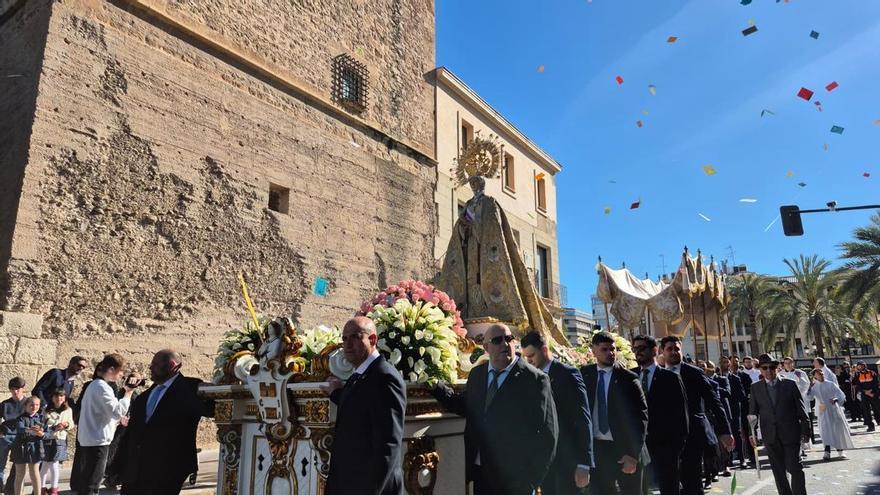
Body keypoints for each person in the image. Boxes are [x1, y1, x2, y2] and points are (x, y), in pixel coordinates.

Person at [431, 323, 557, 494]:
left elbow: (548, 433)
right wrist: (432, 383)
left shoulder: (535, 380)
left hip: (516, 480)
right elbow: (464, 405)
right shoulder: (477, 375)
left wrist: (532, 481)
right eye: (498, 340)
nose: (505, 344)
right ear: (486, 347)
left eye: (509, 339)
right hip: (480, 473)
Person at [322, 317, 406, 495]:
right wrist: (336, 393)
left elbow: (388, 443)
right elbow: (361, 405)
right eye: (344, 338)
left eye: (355, 337)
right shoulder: (361, 374)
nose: (347, 344)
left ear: (373, 340)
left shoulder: (385, 377)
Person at [116, 349, 215, 495]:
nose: (150, 367)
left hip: (169, 467)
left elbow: (214, 409)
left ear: (172, 365)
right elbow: (133, 432)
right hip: (136, 470)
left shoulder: (190, 388)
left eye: (155, 364)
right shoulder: (145, 396)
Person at [521, 331, 592, 494]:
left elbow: (582, 418)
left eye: (531, 355)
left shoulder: (568, 374)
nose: (528, 361)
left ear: (544, 350)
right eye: (525, 357)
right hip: (542, 461)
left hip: (567, 460)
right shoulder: (528, 377)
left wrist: (584, 463)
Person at [660, 336, 733, 495]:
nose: (674, 352)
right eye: (669, 349)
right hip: (666, 439)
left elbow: (714, 402)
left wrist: (725, 431)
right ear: (662, 352)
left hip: (692, 435)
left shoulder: (694, 373)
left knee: (692, 481)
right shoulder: (658, 374)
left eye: (676, 349)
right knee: (669, 484)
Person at [581, 331, 647, 495]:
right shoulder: (585, 375)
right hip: (598, 450)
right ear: (593, 351)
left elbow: (641, 417)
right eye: (604, 349)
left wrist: (632, 454)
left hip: (624, 450)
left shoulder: (628, 378)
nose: (610, 353)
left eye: (613, 349)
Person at [70, 354, 135, 495]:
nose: (122, 375)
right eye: (121, 371)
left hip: (90, 439)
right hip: (98, 442)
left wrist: (117, 421)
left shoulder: (94, 385)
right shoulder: (103, 387)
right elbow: (117, 411)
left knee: (86, 482)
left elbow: (101, 414)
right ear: (111, 369)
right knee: (92, 485)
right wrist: (128, 393)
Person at [631, 335, 688, 495]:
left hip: (665, 447)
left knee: (669, 488)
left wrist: (677, 446)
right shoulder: (630, 377)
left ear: (655, 350)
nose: (638, 352)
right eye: (635, 349)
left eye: (642, 348)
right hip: (638, 447)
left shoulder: (670, 378)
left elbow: (680, 414)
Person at [748, 354, 810, 495]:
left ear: (777, 368)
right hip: (770, 435)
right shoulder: (755, 388)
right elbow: (752, 413)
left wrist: (806, 430)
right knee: (779, 472)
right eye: (765, 368)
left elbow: (801, 409)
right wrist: (751, 434)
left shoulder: (790, 384)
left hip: (790, 433)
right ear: (760, 370)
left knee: (795, 468)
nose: (768, 371)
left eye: (772, 367)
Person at [807, 368, 853, 460]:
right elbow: (809, 397)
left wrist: (836, 399)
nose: (821, 375)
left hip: (833, 409)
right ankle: (827, 451)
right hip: (822, 410)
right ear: (815, 376)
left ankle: (840, 450)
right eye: (818, 374)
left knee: (837, 429)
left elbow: (841, 395)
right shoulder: (814, 386)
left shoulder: (830, 384)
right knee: (825, 431)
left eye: (821, 373)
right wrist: (809, 387)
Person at [40, 388, 74, 495]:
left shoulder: (68, 410)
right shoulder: (46, 409)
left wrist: (66, 425)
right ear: (52, 398)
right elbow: (43, 424)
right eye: (57, 396)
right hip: (47, 439)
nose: (59, 398)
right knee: (45, 464)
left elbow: (71, 423)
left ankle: (54, 489)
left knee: (54, 464)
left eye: (62, 396)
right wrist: (54, 427)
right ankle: (41, 488)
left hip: (59, 440)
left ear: (64, 398)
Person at [10, 396, 43, 495]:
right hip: (20, 448)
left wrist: (42, 434)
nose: (34, 407)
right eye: (31, 404)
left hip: (35, 448)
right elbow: (20, 429)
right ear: (25, 406)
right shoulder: (20, 418)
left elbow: (47, 432)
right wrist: (31, 430)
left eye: (37, 404)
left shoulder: (41, 418)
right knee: (20, 474)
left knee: (35, 473)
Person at [779, 357, 813, 449]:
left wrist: (799, 379)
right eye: (786, 363)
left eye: (789, 363)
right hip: (787, 402)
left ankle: (803, 445)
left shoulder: (800, 373)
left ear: (793, 363)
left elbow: (806, 385)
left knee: (802, 422)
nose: (788, 365)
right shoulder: (780, 374)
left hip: (799, 399)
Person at [717, 357, 744, 470]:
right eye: (722, 362)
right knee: (726, 435)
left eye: (726, 362)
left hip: (734, 410)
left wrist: (732, 398)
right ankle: (729, 460)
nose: (725, 364)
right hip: (723, 411)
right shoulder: (717, 378)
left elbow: (741, 395)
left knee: (737, 434)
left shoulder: (735, 378)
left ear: (729, 364)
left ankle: (742, 459)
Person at [0, 378, 26, 489]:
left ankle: (11, 488)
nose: (15, 391)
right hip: (5, 437)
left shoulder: (28, 403)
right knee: (0, 463)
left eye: (18, 389)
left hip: (20, 438)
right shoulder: (5, 404)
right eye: (12, 389)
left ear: (23, 389)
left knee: (18, 465)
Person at [729, 356, 754, 467]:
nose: (736, 363)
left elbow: (750, 391)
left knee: (748, 431)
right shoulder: (726, 377)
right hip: (732, 409)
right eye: (733, 362)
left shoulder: (744, 376)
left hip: (744, 408)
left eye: (737, 361)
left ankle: (752, 456)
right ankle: (733, 457)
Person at [853, 361, 880, 432]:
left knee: (877, 408)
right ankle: (870, 426)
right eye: (859, 366)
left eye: (862, 366)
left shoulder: (872, 373)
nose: (860, 367)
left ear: (865, 366)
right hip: (864, 395)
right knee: (866, 411)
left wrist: (871, 392)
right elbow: (857, 386)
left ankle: (879, 420)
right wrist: (865, 392)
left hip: (873, 394)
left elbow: (876, 383)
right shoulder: (857, 375)